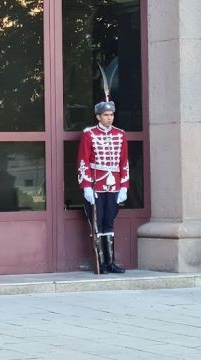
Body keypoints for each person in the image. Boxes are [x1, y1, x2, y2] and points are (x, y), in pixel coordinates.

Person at [77, 100, 129, 273]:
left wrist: (124, 186)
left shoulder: (120, 134)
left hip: (114, 186)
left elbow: (124, 162)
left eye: (111, 114)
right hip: (96, 184)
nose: (109, 118)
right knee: (97, 223)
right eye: (106, 115)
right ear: (98, 116)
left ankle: (110, 262)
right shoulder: (89, 134)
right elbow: (83, 160)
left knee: (109, 222)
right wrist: (86, 186)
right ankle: (100, 263)